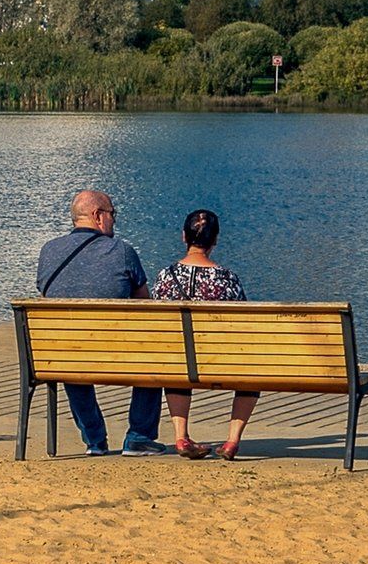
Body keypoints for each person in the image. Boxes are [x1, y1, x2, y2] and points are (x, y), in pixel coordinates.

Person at [34, 189, 171, 457]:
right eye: (112, 214)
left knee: (71, 351)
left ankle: (95, 441)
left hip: (59, 354)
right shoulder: (122, 251)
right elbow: (146, 307)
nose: (114, 220)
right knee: (156, 353)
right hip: (114, 354)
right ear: (98, 216)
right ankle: (139, 436)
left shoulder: (48, 250)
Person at [152, 208, 256, 461]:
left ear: (184, 237)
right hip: (219, 361)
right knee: (253, 374)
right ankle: (232, 441)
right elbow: (243, 325)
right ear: (215, 240)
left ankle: (181, 436)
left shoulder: (165, 276)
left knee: (178, 354)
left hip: (177, 362)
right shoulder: (227, 279)